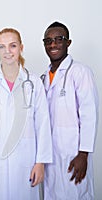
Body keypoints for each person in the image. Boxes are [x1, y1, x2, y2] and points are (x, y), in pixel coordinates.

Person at [0, 28, 53, 200]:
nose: (7, 51)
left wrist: (40, 162)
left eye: (12, 46)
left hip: (26, 160)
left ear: (21, 47)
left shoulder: (34, 83)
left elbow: (43, 123)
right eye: (2, 47)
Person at [41, 21, 99, 200]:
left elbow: (90, 115)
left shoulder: (80, 72)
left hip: (73, 153)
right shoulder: (44, 78)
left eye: (59, 39)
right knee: (52, 194)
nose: (53, 44)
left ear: (68, 42)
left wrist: (83, 154)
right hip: (50, 154)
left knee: (76, 194)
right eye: (48, 40)